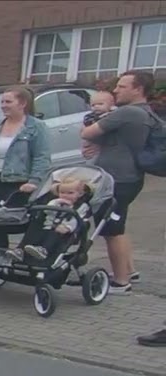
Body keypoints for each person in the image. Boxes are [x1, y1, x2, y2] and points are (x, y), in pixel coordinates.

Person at [80, 70, 154, 294]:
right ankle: (129, 270)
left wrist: (92, 135)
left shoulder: (127, 113)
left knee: (112, 228)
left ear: (138, 89)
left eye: (122, 87)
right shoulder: (145, 113)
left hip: (118, 179)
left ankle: (121, 282)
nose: (115, 90)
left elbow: (88, 132)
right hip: (127, 176)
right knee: (118, 224)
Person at [0, 87, 50, 251]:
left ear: (22, 104)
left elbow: (42, 157)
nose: (3, 105)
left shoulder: (36, 127)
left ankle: (24, 252)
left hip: (16, 183)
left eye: (8, 102)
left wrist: (34, 181)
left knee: (12, 221)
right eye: (2, 102)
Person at [4, 176, 89, 264]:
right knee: (34, 228)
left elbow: (78, 219)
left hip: (64, 231)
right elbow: (47, 211)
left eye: (70, 193)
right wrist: (57, 202)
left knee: (55, 233)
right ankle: (20, 250)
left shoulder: (82, 206)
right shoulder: (56, 202)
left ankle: (44, 250)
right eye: (62, 192)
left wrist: (67, 227)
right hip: (49, 225)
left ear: (80, 194)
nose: (65, 195)